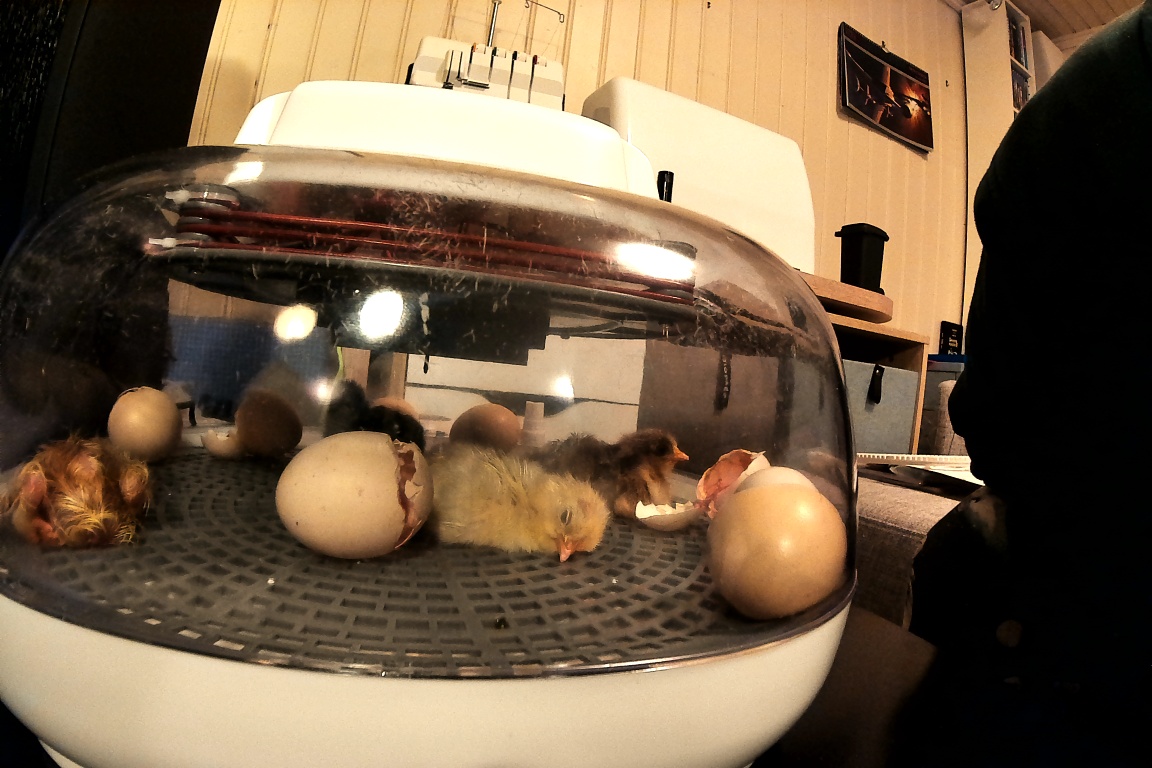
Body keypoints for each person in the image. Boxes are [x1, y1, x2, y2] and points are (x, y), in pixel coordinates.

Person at [893, 4, 1152, 766]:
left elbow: (993, 409)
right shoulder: (1104, 93)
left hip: (1070, 603)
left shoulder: (1092, 96)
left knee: (954, 564)